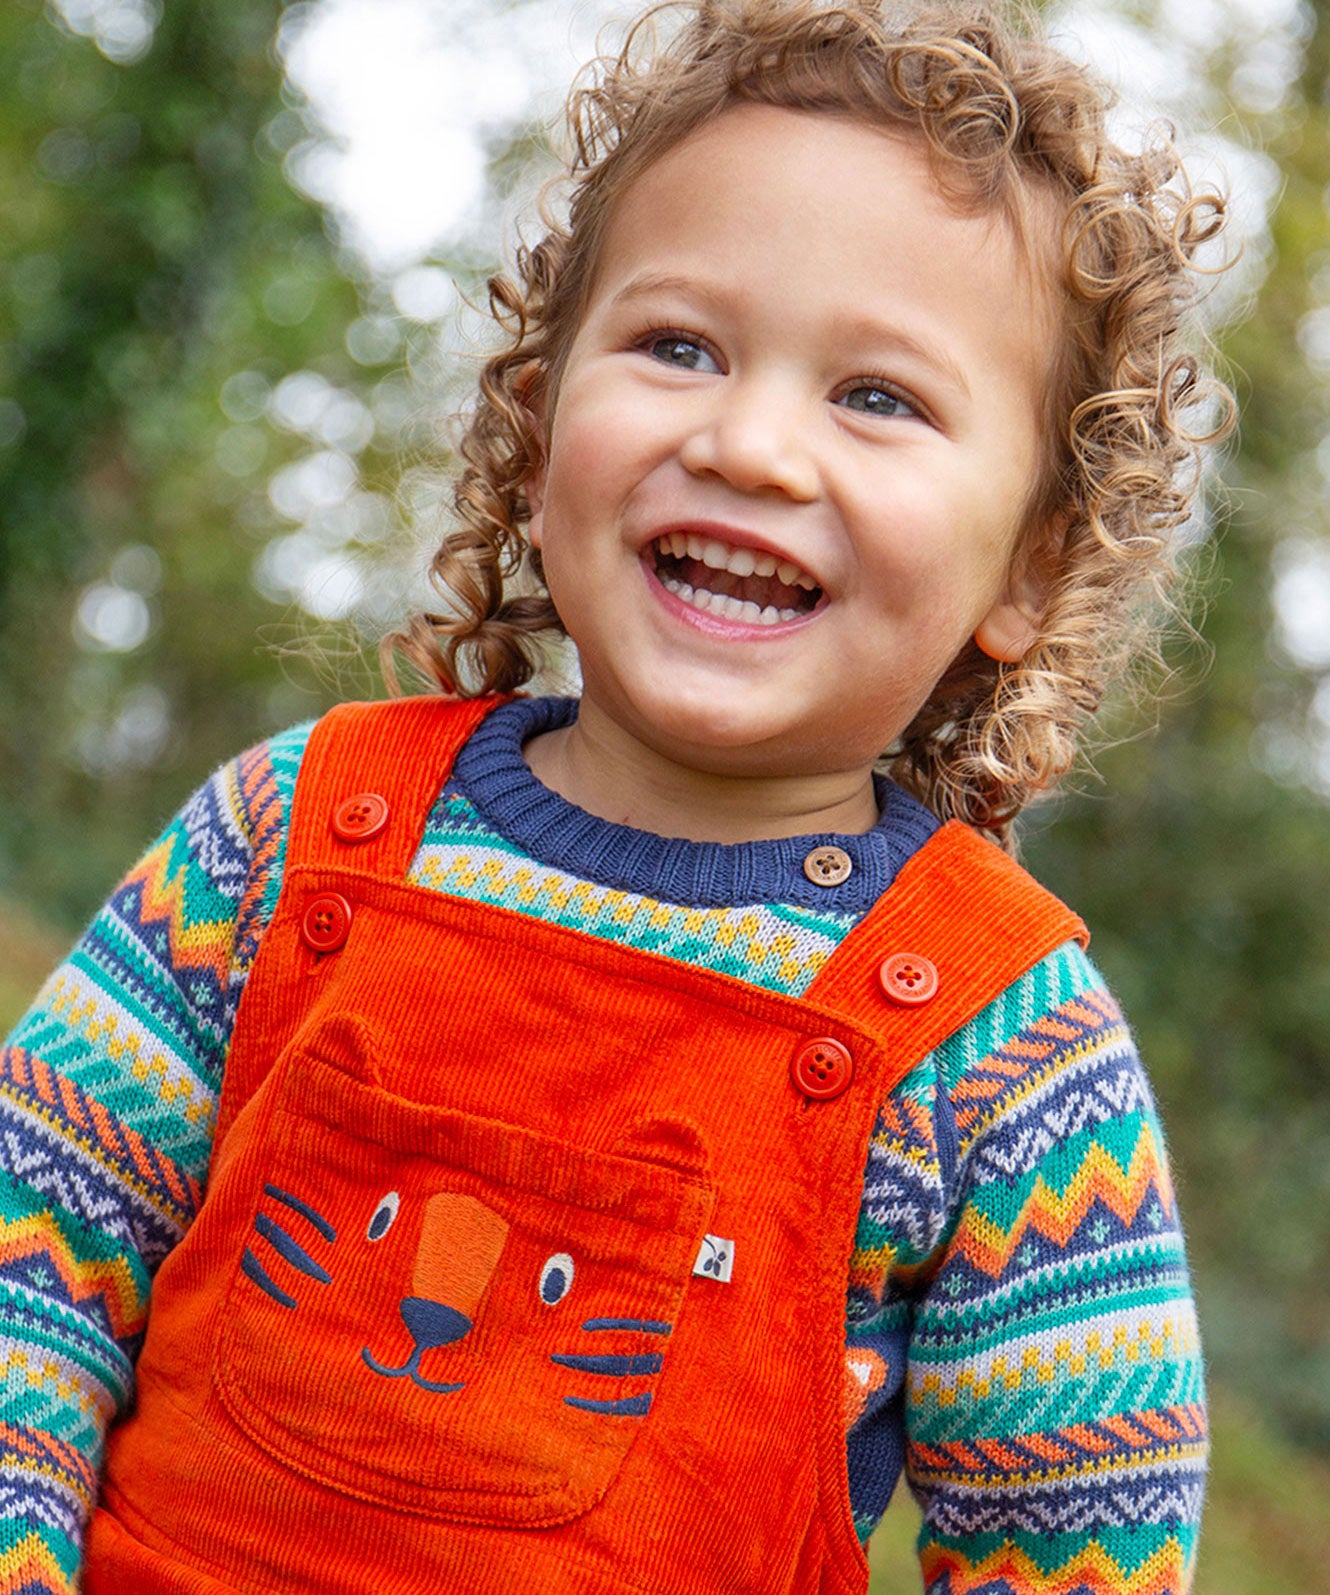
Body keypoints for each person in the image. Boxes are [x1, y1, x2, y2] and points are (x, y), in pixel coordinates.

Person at [0, 2, 1232, 1591]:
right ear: (536, 417)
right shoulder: (288, 835)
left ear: (1027, 568)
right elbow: (34, 1260)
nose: (750, 444)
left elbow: (1087, 1547)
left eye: (877, 398)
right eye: (676, 348)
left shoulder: (1002, 1046)